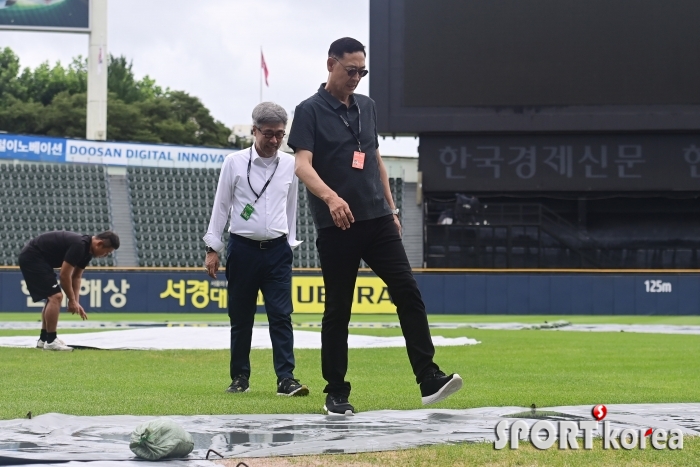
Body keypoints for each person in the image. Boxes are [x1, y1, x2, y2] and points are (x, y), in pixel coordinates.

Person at [288, 37, 463, 415]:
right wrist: (332, 199)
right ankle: (336, 392)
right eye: (351, 70)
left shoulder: (367, 107)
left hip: (379, 219)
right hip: (338, 224)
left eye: (362, 71)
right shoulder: (309, 111)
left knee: (408, 292)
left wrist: (392, 207)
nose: (356, 78)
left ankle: (428, 378)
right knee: (338, 310)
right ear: (331, 64)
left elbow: (375, 159)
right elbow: (302, 164)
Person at [203, 102, 309, 397]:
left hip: (277, 251)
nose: (274, 141)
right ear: (254, 131)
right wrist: (213, 247)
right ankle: (239, 377)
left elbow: (292, 208)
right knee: (241, 316)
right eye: (268, 134)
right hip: (242, 249)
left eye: (280, 134)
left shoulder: (290, 164)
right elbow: (221, 206)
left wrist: (289, 243)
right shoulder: (234, 163)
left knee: (281, 315)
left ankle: (286, 379)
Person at [18, 230, 120, 351]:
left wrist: (75, 301)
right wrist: (71, 300)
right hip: (32, 257)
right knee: (56, 297)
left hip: (40, 260)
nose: (105, 255)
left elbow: (76, 277)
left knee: (53, 297)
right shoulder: (80, 245)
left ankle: (44, 339)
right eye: (107, 252)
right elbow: (64, 275)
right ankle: (51, 341)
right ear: (99, 244)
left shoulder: (87, 251)